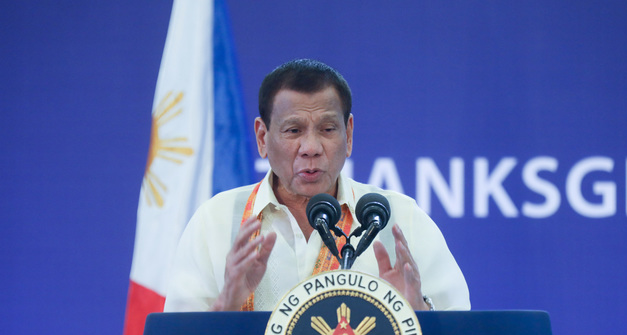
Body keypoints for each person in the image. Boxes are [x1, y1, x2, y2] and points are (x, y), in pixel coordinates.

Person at [164, 59, 470, 312]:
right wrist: (227, 305)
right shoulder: (215, 221)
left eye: (327, 129)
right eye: (294, 130)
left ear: (348, 135)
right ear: (262, 138)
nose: (311, 147)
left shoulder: (400, 219)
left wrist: (418, 312)